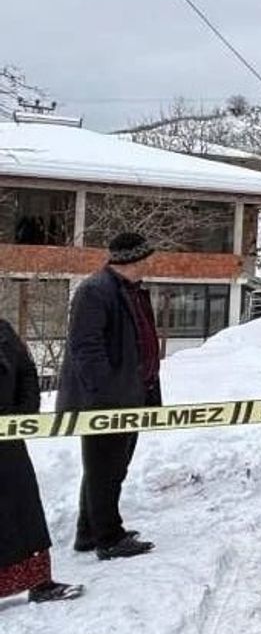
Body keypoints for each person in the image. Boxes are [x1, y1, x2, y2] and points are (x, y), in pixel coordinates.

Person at [58, 232, 160, 560]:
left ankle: (89, 532)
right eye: (145, 257)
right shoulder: (95, 291)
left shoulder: (130, 291)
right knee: (105, 468)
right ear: (131, 260)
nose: (150, 263)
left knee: (112, 467)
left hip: (130, 396)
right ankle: (108, 537)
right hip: (106, 401)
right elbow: (86, 349)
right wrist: (108, 394)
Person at [1, 319, 83, 603]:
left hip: (8, 443)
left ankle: (39, 582)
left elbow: (26, 372)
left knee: (23, 511)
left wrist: (23, 413)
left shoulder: (3, 331)